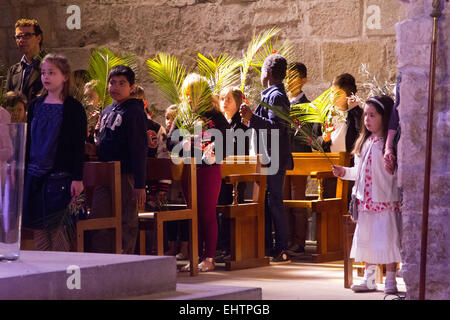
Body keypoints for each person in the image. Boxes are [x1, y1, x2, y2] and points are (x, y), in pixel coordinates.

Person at [332, 95, 401, 294]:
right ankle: (369, 280)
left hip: (384, 201)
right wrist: (344, 172)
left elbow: (395, 175)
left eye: (372, 115)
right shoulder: (365, 143)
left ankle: (391, 281)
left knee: (387, 239)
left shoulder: (388, 147)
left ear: (384, 117)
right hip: (366, 204)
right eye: (365, 115)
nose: (367, 120)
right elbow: (358, 172)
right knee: (368, 239)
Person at [22, 53, 87, 251]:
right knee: (40, 229)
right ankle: (44, 274)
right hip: (35, 175)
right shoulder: (35, 105)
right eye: (43, 73)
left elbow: (78, 145)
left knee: (58, 230)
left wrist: (77, 177)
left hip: (60, 176)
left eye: (52, 72)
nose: (46, 77)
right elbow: (28, 141)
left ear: (65, 76)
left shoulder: (73, 108)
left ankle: (60, 274)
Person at [167, 73, 231, 272]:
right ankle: (195, 257)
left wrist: (212, 149)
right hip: (188, 170)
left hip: (209, 169)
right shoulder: (183, 114)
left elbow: (228, 142)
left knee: (207, 213)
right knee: (192, 213)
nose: (190, 96)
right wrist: (182, 143)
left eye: (194, 92)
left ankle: (209, 258)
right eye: (188, 92)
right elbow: (170, 141)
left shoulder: (214, 115)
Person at [240, 54, 293, 263]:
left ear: (268, 73)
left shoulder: (277, 96)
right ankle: (268, 248)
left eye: (262, 70)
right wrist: (250, 120)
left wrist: (253, 118)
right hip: (269, 157)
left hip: (275, 158)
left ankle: (281, 249)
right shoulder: (272, 94)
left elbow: (277, 129)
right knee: (269, 203)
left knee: (275, 203)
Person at [89, 65, 148, 254]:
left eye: (122, 83)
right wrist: (93, 148)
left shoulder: (134, 112)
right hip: (105, 173)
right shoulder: (107, 111)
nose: (116, 87)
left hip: (125, 173)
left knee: (126, 218)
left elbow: (139, 148)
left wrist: (140, 183)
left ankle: (125, 257)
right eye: (112, 83)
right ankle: (103, 257)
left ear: (131, 87)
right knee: (100, 217)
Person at [216, 86, 250, 262]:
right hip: (221, 172)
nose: (224, 102)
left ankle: (233, 246)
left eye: (229, 99)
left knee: (232, 208)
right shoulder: (220, 123)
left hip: (237, 174)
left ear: (238, 102)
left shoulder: (241, 125)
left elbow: (241, 150)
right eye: (222, 99)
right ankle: (222, 246)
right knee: (220, 209)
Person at [284, 62, 311, 255]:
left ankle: (299, 242)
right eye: (287, 77)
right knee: (283, 200)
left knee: (297, 201)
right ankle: (286, 239)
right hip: (283, 158)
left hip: (299, 158)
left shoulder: (306, 106)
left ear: (303, 80)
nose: (289, 82)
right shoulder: (282, 102)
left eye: (294, 77)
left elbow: (306, 136)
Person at [6, 19, 45, 102]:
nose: (21, 40)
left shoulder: (51, 66)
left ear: (38, 38)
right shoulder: (13, 70)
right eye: (18, 36)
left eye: (27, 35)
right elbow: (8, 102)